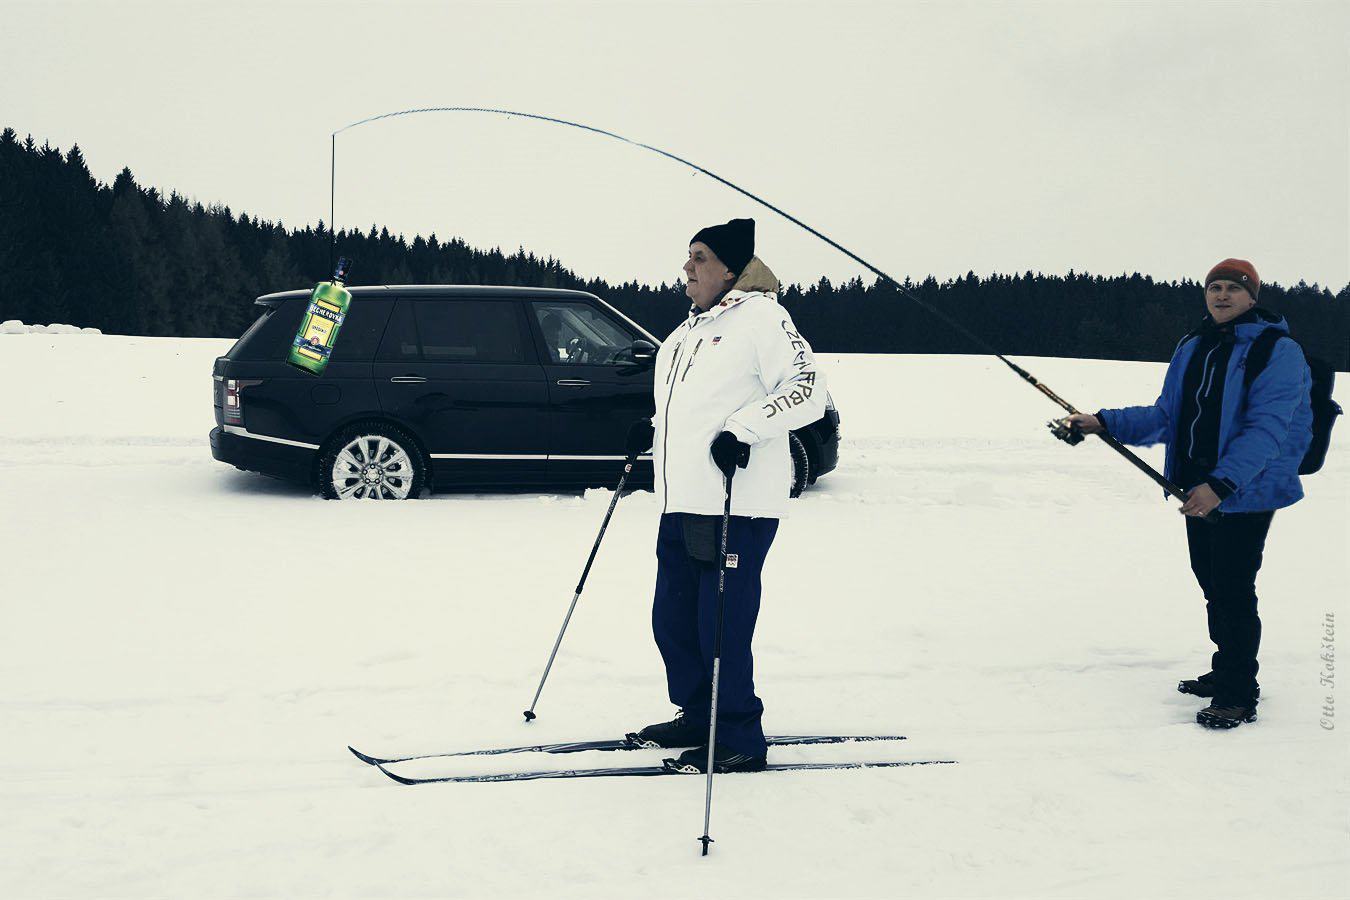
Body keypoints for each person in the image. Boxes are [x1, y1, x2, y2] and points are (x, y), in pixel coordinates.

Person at [1065, 258, 1313, 729]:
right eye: (1214, 287)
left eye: (1233, 289)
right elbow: (1167, 415)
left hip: (1247, 488)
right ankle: (1226, 670)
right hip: (1194, 487)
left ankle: (1239, 691)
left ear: (1252, 297)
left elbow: (1269, 428)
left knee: (1234, 587)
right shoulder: (1193, 344)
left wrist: (1221, 485)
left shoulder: (1277, 351)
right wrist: (1103, 421)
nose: (1221, 295)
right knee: (1211, 581)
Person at [622, 218, 827, 771]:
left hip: (736, 504)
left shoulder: (762, 318)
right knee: (672, 619)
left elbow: (808, 390)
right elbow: (693, 404)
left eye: (701, 257)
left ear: (731, 270)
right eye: (687, 256)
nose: (687, 268)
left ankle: (737, 736)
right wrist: (655, 428)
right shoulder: (686, 331)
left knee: (720, 626)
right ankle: (698, 712)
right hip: (682, 501)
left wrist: (745, 428)